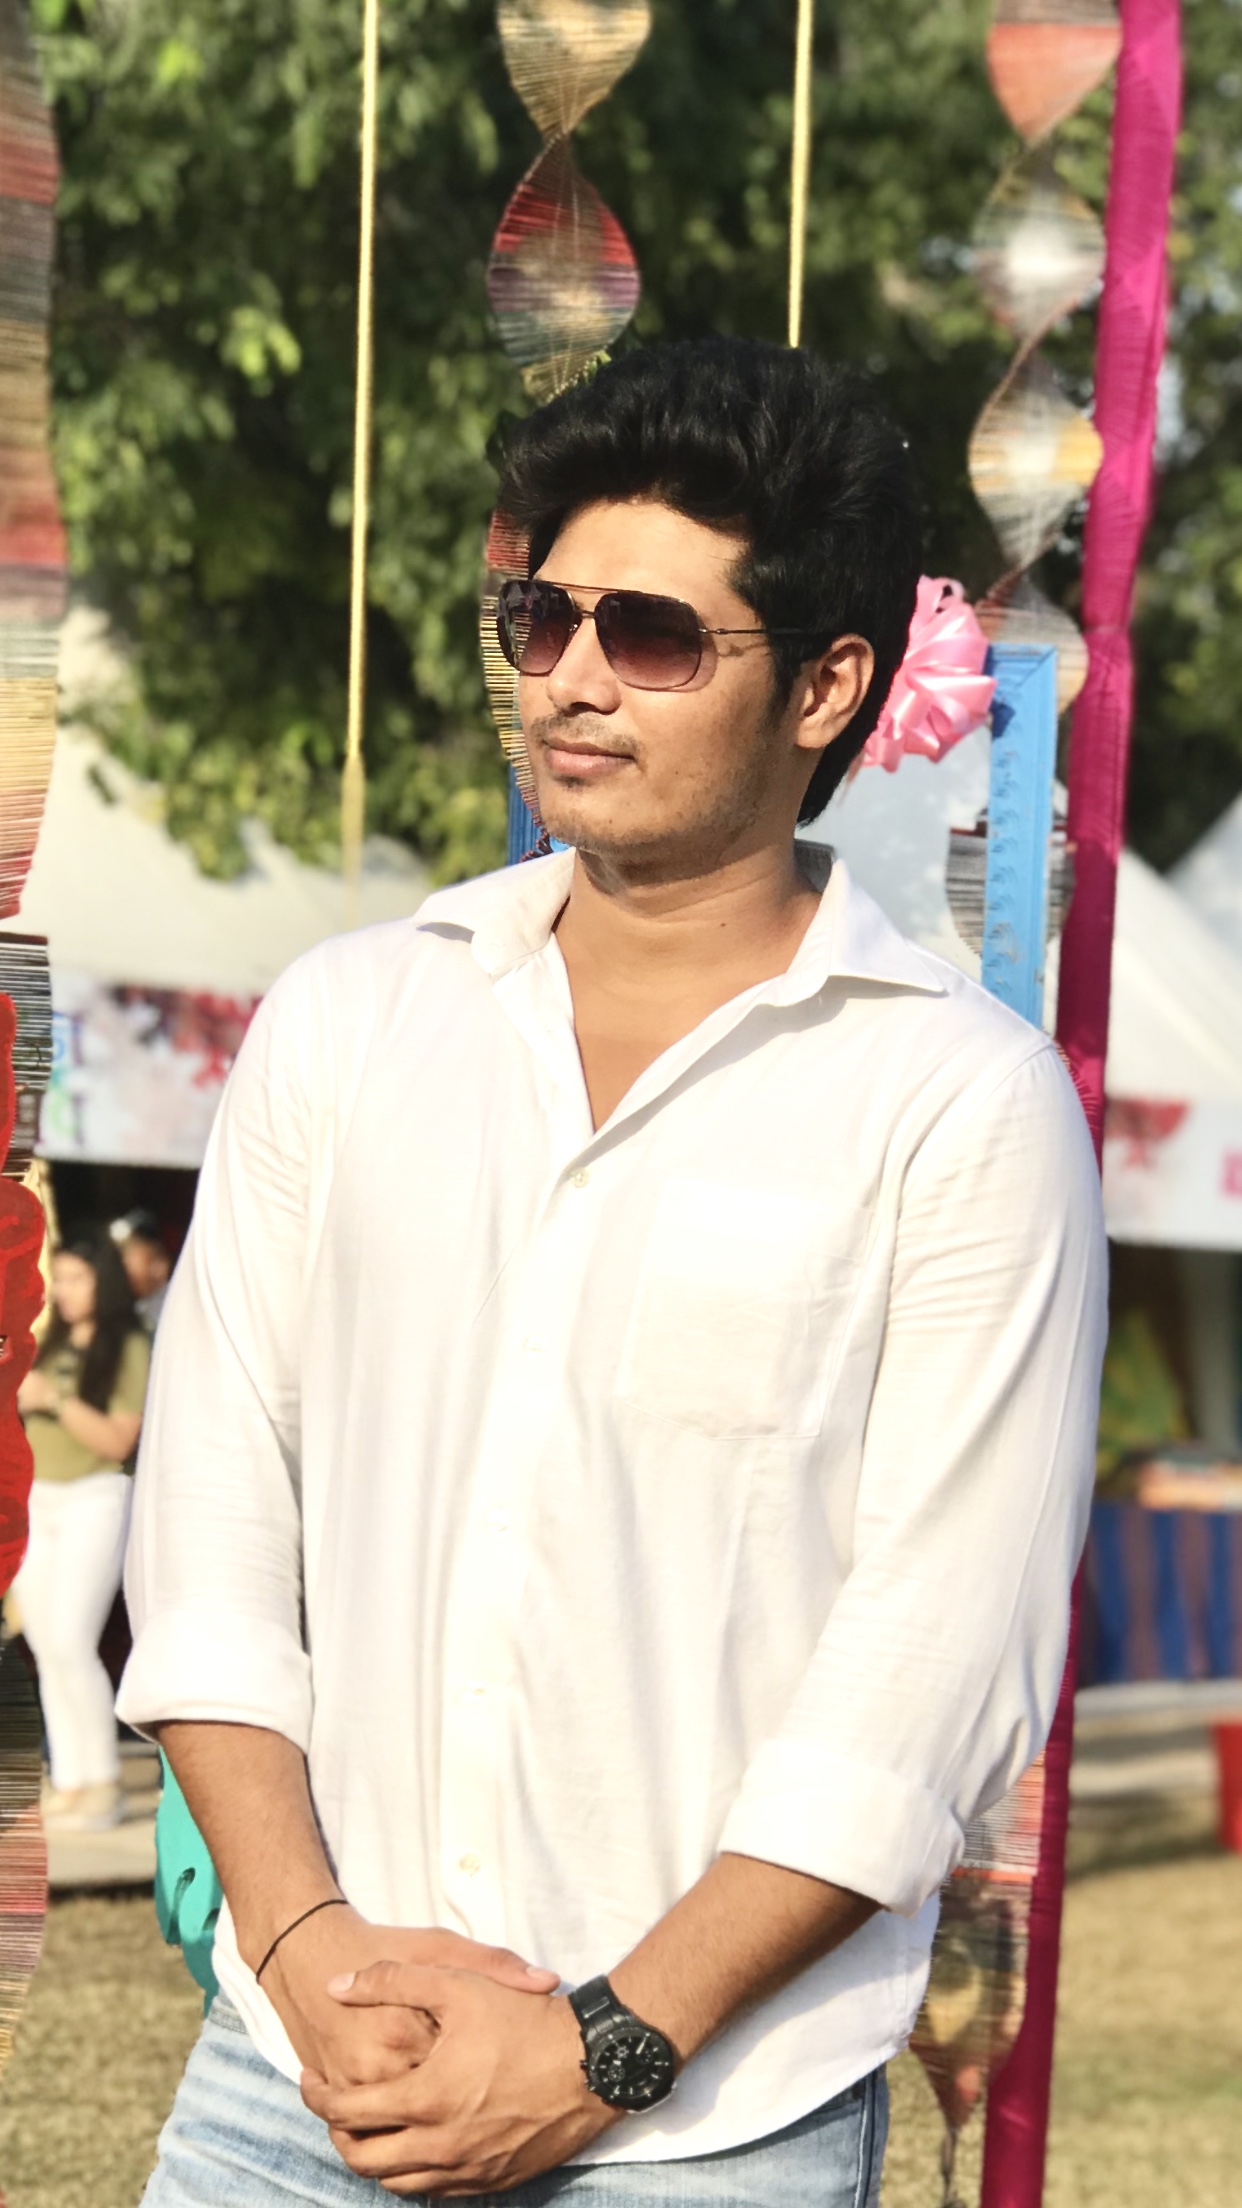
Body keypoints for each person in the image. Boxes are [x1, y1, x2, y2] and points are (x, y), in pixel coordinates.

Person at [120, 338, 1107, 2207]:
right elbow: (214, 1531)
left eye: (650, 635)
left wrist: (605, 2048)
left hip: (705, 2115)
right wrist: (303, 1946)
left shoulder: (955, 1104)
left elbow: (928, 1673)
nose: (569, 677)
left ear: (824, 684)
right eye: (542, 617)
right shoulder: (349, 1022)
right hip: (300, 2067)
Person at [14, 1229, 150, 1831]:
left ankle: (102, 1783)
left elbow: (119, 1439)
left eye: (76, 1278)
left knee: (72, 1641)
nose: (63, 1290)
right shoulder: (53, 1343)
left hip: (96, 1497)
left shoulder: (130, 1345)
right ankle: (70, 1781)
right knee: (47, 1647)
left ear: (104, 1281)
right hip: (39, 1499)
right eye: (60, 1278)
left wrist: (53, 1399)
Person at [111, 1206, 172, 1332]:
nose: (121, 1261)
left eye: (129, 1252)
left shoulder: (173, 1307)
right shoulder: (124, 1309)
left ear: (159, 1264)